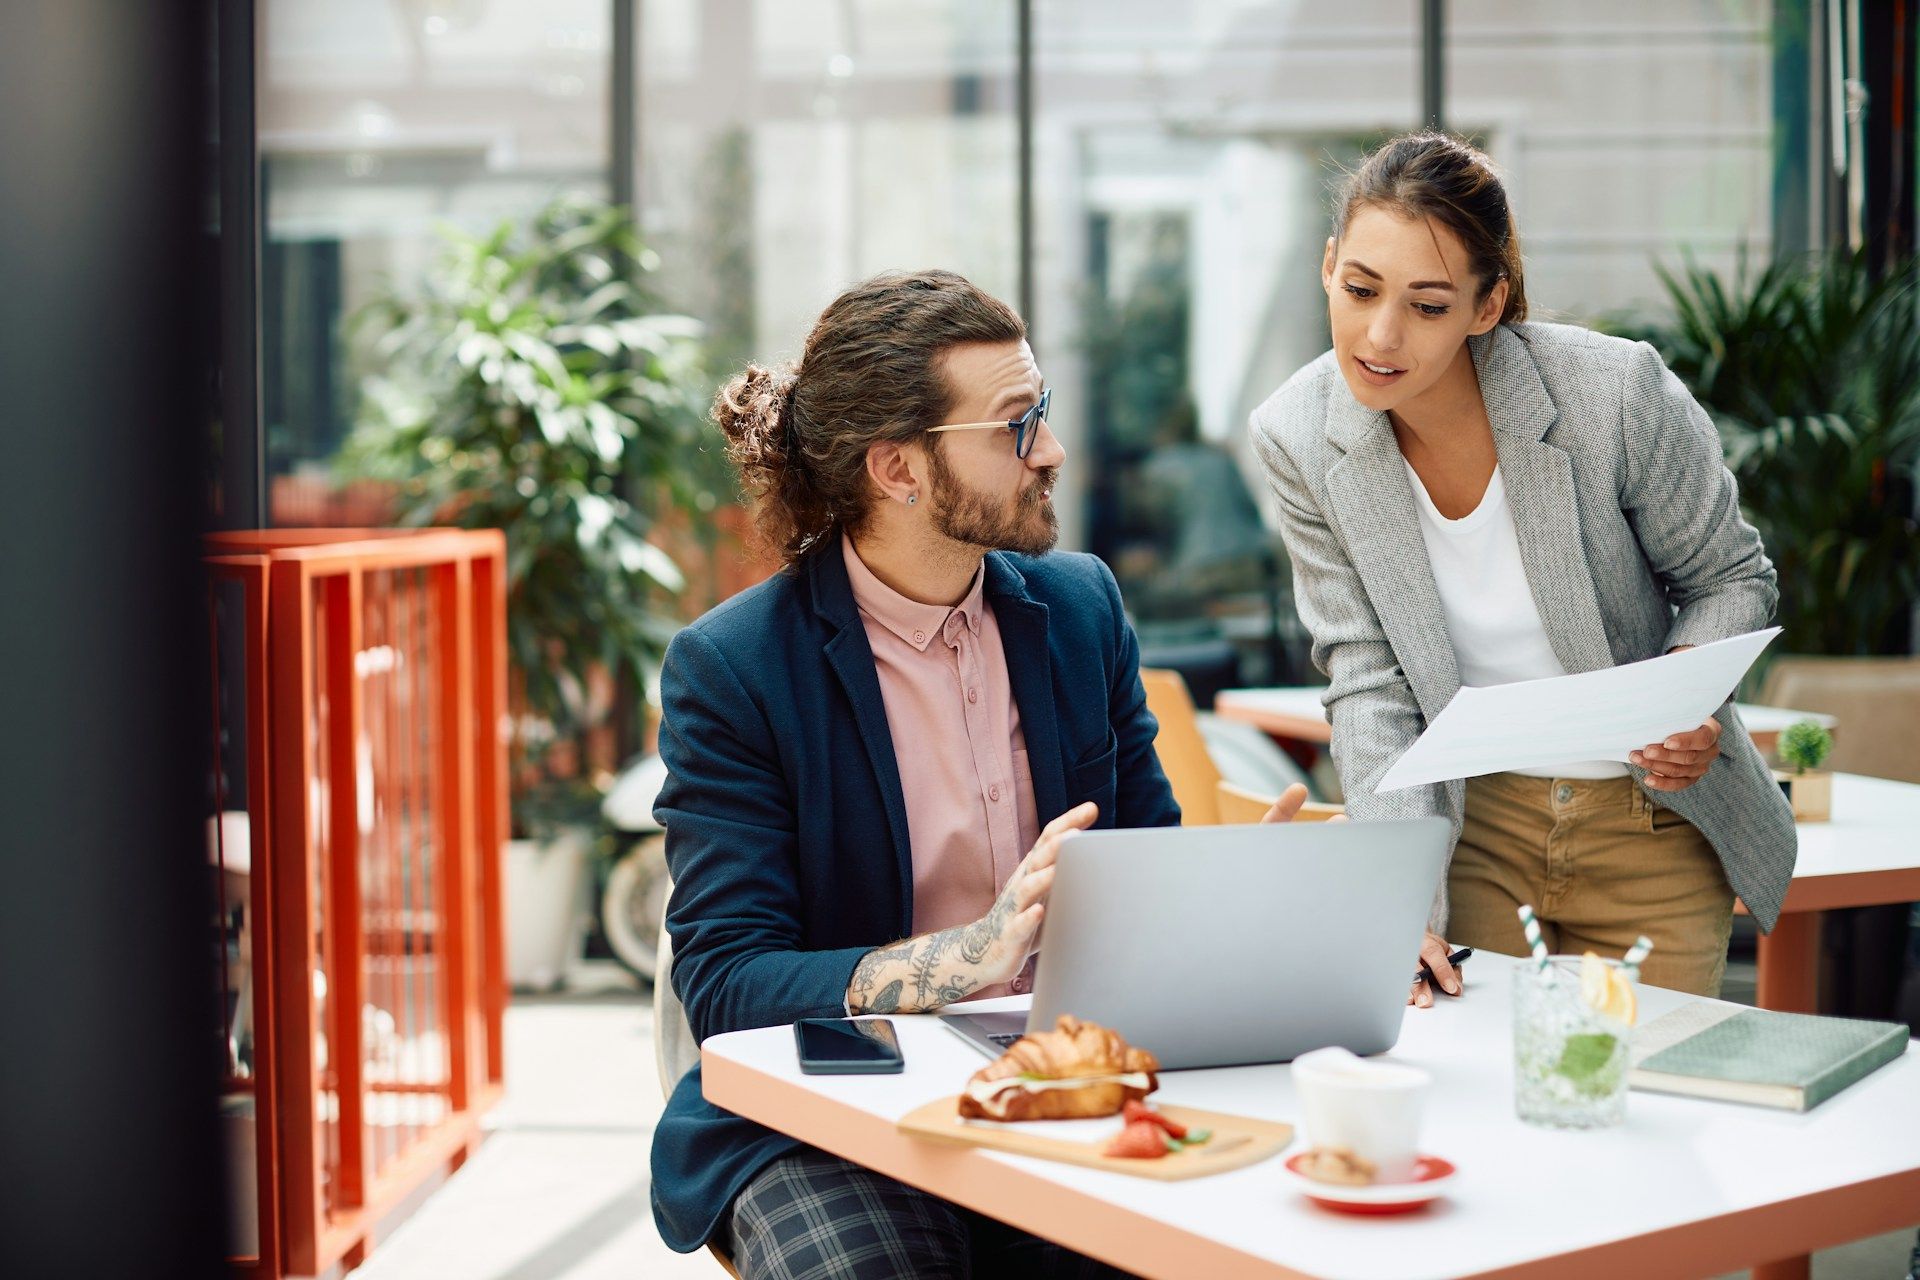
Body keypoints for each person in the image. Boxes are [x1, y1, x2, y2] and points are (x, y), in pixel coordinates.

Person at [650, 268, 1314, 1279]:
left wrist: (1234, 906)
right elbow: (728, 982)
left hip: (1068, 1079)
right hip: (832, 1119)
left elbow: (1145, 860)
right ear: (899, 470)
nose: (1049, 449)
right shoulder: (735, 668)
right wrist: (968, 953)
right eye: (1014, 426)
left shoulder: (1081, 607)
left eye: (1039, 411)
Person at [1250, 132, 1796, 1001]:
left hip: (1651, 822)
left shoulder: (1612, 395)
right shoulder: (1299, 434)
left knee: (1651, 1103)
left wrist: (1685, 700)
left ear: (1487, 304)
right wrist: (1395, 898)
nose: (1380, 335)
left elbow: (1730, 576)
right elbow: (1369, 680)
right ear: (1327, 266)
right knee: (1476, 1106)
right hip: (1477, 824)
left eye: (1428, 306)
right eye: (1359, 290)